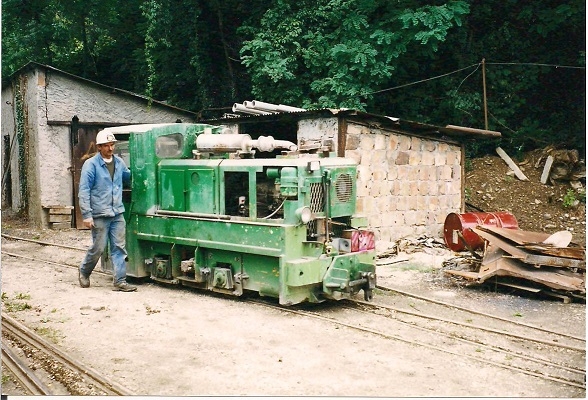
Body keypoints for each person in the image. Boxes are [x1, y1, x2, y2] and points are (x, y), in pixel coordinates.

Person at [78, 129, 137, 292]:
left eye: (112, 145)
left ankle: (120, 281)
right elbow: (84, 191)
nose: (110, 149)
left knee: (119, 247)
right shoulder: (91, 165)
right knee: (98, 248)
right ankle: (84, 271)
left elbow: (127, 178)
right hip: (99, 214)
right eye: (106, 146)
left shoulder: (119, 163)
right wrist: (87, 215)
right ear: (99, 147)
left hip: (117, 212)